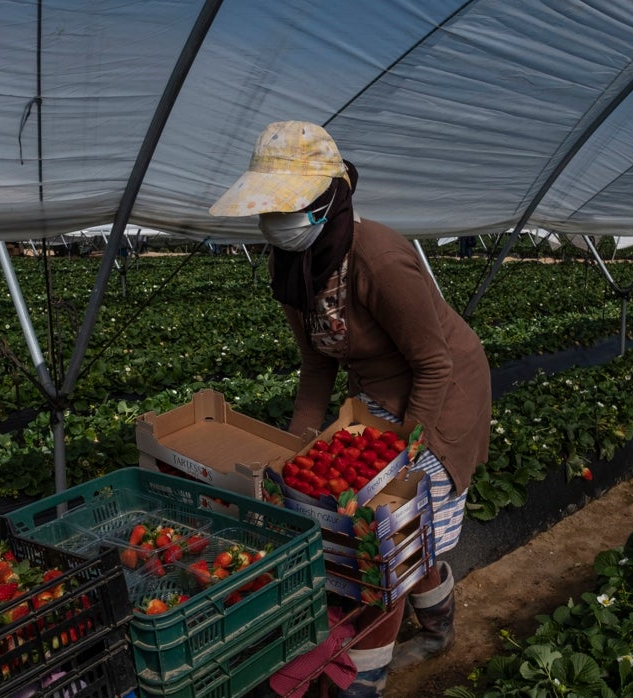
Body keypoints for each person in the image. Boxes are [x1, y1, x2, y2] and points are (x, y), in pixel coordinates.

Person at [210, 121, 492, 697]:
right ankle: (437, 631)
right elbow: (318, 365)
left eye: (288, 206)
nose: (275, 221)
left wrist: (406, 456)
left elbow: (434, 364)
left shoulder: (380, 258)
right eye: (271, 208)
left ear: (329, 199)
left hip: (443, 394)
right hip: (374, 398)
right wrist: (298, 448)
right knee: (405, 537)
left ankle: (366, 679)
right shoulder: (293, 266)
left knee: (383, 543)